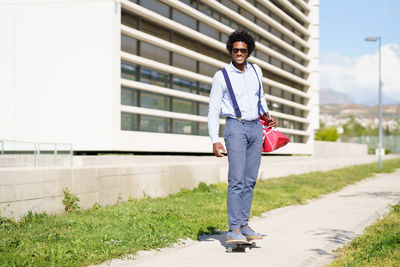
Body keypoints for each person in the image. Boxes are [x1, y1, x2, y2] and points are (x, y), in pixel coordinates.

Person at [208, 30, 278, 243]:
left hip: (256, 128)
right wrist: (214, 139)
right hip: (235, 128)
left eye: (243, 50)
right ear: (231, 50)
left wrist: (267, 116)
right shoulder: (221, 76)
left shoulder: (256, 70)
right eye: (236, 50)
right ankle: (233, 229)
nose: (239, 53)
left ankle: (244, 224)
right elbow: (213, 110)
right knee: (236, 180)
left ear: (249, 51)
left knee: (250, 180)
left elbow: (260, 96)